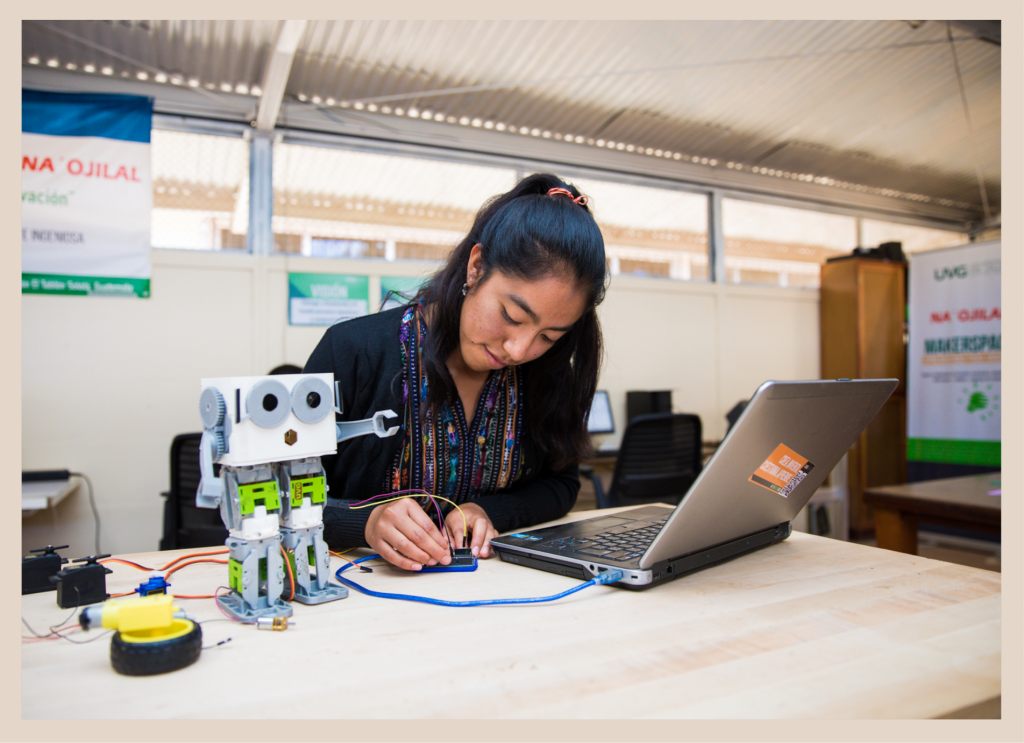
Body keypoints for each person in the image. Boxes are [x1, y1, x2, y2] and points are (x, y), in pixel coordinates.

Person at [303, 173, 606, 571]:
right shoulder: (353, 351)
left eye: (548, 336)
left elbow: (562, 484)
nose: (520, 350)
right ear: (476, 267)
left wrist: (487, 509)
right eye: (512, 316)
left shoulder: (546, 373)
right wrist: (365, 522)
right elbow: (276, 497)